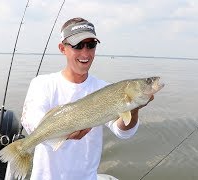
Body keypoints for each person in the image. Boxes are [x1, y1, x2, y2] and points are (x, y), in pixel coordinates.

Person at [21, 17, 154, 180]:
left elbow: (123, 132)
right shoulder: (42, 83)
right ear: (62, 48)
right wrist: (63, 133)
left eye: (91, 45)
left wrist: (133, 110)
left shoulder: (104, 89)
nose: (85, 53)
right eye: (78, 45)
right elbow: (30, 120)